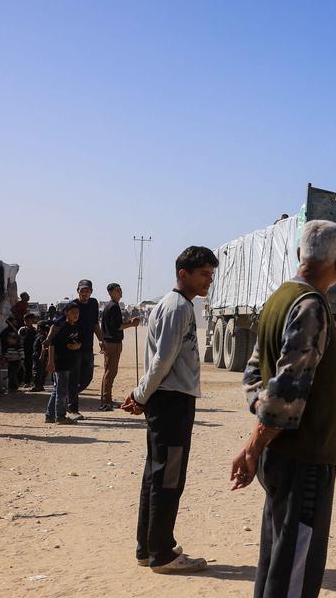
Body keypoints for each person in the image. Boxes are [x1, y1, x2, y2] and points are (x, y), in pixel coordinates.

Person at [232, 221, 336, 598]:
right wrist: (255, 444)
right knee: (294, 570)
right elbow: (286, 393)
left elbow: (253, 376)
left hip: (281, 457)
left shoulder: (279, 298)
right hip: (303, 460)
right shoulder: (311, 305)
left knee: (275, 563)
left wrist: (257, 441)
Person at [122, 246, 218, 574]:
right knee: (168, 477)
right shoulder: (177, 307)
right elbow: (163, 359)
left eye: (211, 274)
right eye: (203, 274)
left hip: (167, 399)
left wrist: (142, 395)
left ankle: (148, 547)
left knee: (156, 474)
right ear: (183, 274)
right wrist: (140, 395)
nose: (208, 280)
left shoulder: (174, 305)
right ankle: (162, 554)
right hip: (172, 401)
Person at [50, 279, 103, 420]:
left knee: (87, 377)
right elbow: (56, 324)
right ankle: (73, 409)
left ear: (91, 291)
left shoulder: (93, 303)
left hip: (88, 347)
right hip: (73, 348)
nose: (85, 293)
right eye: (82, 290)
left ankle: (68, 396)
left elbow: (95, 324)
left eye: (87, 290)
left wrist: (101, 339)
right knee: (73, 379)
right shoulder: (73, 305)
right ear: (78, 291)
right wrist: (48, 338)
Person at [99, 282, 142, 411]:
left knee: (109, 372)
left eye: (120, 290)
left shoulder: (112, 306)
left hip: (111, 342)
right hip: (112, 343)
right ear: (110, 293)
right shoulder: (113, 307)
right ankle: (106, 401)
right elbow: (118, 326)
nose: (120, 292)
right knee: (110, 372)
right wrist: (132, 324)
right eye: (117, 290)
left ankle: (107, 399)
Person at [46, 302, 82, 424]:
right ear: (66, 313)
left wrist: (77, 346)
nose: (75, 315)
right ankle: (60, 417)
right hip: (61, 363)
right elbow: (52, 344)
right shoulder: (62, 327)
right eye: (72, 313)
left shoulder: (74, 327)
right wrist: (50, 361)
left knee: (57, 390)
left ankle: (50, 415)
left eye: (77, 312)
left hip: (68, 362)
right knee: (62, 391)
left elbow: (77, 341)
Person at [18, 313, 40, 389]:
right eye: (26, 320)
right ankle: (24, 382)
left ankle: (31, 382)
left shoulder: (35, 330)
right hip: (23, 351)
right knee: (25, 366)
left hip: (33, 351)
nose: (27, 322)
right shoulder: (22, 329)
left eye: (29, 320)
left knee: (32, 367)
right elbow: (19, 339)